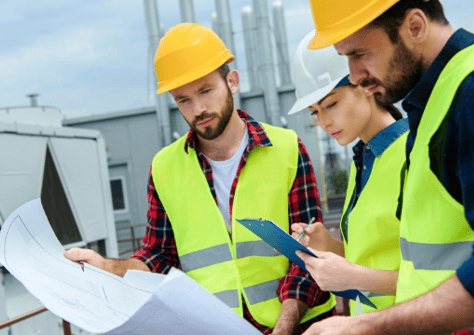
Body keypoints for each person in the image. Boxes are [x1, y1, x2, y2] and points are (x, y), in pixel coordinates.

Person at [65, 23, 336, 335]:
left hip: (300, 326)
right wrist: (108, 268)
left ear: (231, 81)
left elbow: (308, 252)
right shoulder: (164, 167)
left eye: (206, 91)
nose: (198, 109)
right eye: (183, 100)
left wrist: (284, 326)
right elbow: (158, 256)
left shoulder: (286, 148)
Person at [299, 0, 474, 334]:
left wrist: (368, 326)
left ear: (415, 27)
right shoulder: (442, 101)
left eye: (359, 54)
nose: (353, 76)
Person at [287, 30, 407, 317]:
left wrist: (352, 277)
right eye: (315, 112)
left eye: (331, 104)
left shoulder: (414, 154)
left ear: (366, 84)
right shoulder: (362, 160)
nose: (324, 122)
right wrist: (330, 248)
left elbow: (442, 280)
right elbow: (374, 257)